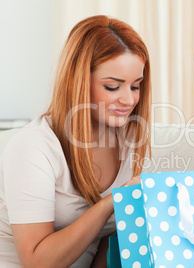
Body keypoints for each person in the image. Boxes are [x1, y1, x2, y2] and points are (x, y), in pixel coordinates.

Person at [0, 15, 151, 267]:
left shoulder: (131, 140)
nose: (129, 100)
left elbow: (112, 243)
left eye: (135, 86)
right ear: (78, 82)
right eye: (113, 87)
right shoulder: (34, 147)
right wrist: (109, 204)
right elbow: (36, 262)